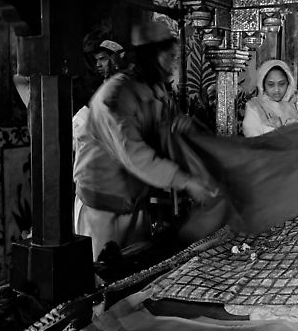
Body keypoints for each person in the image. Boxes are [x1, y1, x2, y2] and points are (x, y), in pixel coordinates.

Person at [72, 21, 215, 260]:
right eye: (168, 57)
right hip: (102, 203)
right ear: (150, 56)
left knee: (135, 267)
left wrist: (205, 140)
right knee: (103, 272)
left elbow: (171, 123)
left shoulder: (154, 90)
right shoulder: (115, 96)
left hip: (134, 199)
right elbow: (134, 154)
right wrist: (187, 182)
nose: (172, 65)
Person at [242, 60, 298, 137]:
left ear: (289, 82)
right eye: (271, 84)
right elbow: (252, 138)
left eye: (281, 84)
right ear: (262, 85)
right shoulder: (254, 106)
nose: (277, 90)